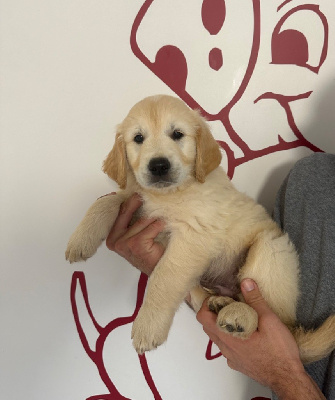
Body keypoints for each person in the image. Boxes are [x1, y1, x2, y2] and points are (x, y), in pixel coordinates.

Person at [106, 153, 335, 400]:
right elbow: (259, 310)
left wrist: (283, 376)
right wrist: (168, 269)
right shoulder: (315, 179)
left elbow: (280, 357)